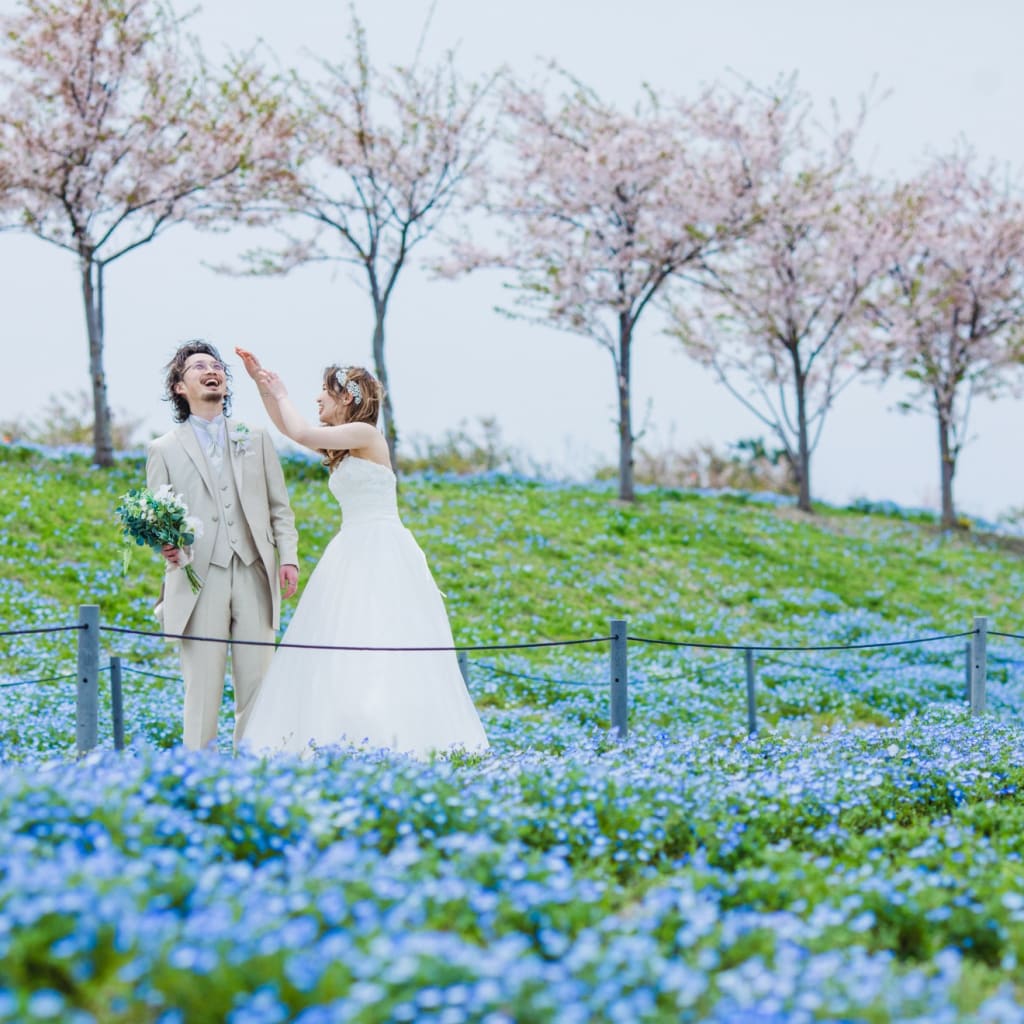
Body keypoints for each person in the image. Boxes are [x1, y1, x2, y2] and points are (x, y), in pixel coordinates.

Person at [234, 346, 489, 758]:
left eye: (323, 392)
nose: (316, 399)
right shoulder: (342, 445)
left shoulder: (366, 435)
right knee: (343, 635)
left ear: (347, 397)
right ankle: (345, 733)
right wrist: (262, 385)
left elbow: (300, 431)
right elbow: (289, 429)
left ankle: (386, 734)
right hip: (351, 547)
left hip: (380, 548)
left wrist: (282, 393)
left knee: (379, 632)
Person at [147, 341, 300, 751]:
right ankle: (200, 777)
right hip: (198, 578)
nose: (211, 371)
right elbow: (159, 517)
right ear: (180, 387)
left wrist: (289, 559)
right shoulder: (163, 448)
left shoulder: (257, 438)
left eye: (217, 366)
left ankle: (253, 776)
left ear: (226, 385)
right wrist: (166, 545)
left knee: (259, 689)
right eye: (199, 367)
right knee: (202, 692)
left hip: (255, 571)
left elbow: (279, 508)